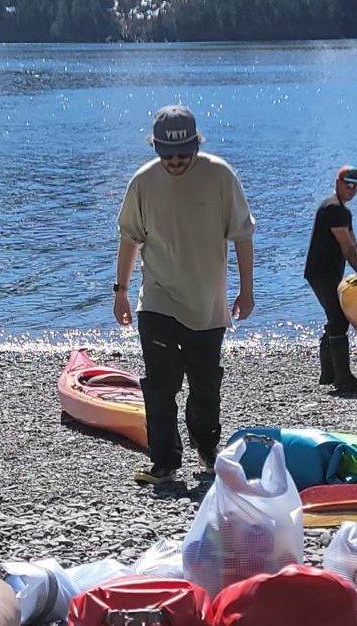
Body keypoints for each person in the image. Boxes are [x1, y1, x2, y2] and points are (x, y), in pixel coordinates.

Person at [114, 105, 255, 485]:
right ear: (156, 148)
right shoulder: (143, 182)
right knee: (160, 386)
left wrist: (246, 290)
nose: (175, 161)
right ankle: (164, 462)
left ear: (196, 145)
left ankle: (207, 447)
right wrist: (121, 291)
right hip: (157, 299)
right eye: (167, 154)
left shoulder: (221, 176)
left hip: (207, 304)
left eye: (182, 154)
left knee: (205, 386)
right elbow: (129, 238)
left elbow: (242, 235)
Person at [304, 165, 357, 393]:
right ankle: (342, 379)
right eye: (348, 184)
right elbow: (347, 249)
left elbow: (355, 245)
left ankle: (329, 374)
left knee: (336, 318)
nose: (351, 190)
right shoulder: (334, 209)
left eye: (356, 186)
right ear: (338, 182)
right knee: (339, 319)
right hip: (321, 273)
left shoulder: (341, 210)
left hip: (326, 272)